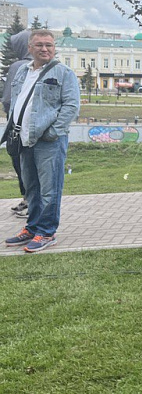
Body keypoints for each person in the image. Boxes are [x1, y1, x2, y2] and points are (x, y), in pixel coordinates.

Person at [4, 30, 80, 253]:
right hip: (24, 139)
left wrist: (53, 132)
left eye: (49, 45)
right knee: (31, 188)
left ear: (54, 48)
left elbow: (71, 106)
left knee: (50, 189)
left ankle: (46, 232)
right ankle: (32, 228)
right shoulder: (23, 72)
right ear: (30, 48)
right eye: (39, 45)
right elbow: (15, 101)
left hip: (49, 141)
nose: (44, 49)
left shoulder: (64, 73)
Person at [2, 28, 31, 217]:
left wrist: (9, 114)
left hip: (18, 125)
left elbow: (7, 99)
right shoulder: (47, 65)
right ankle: (29, 201)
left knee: (20, 162)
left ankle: (29, 201)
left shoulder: (18, 66)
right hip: (37, 126)